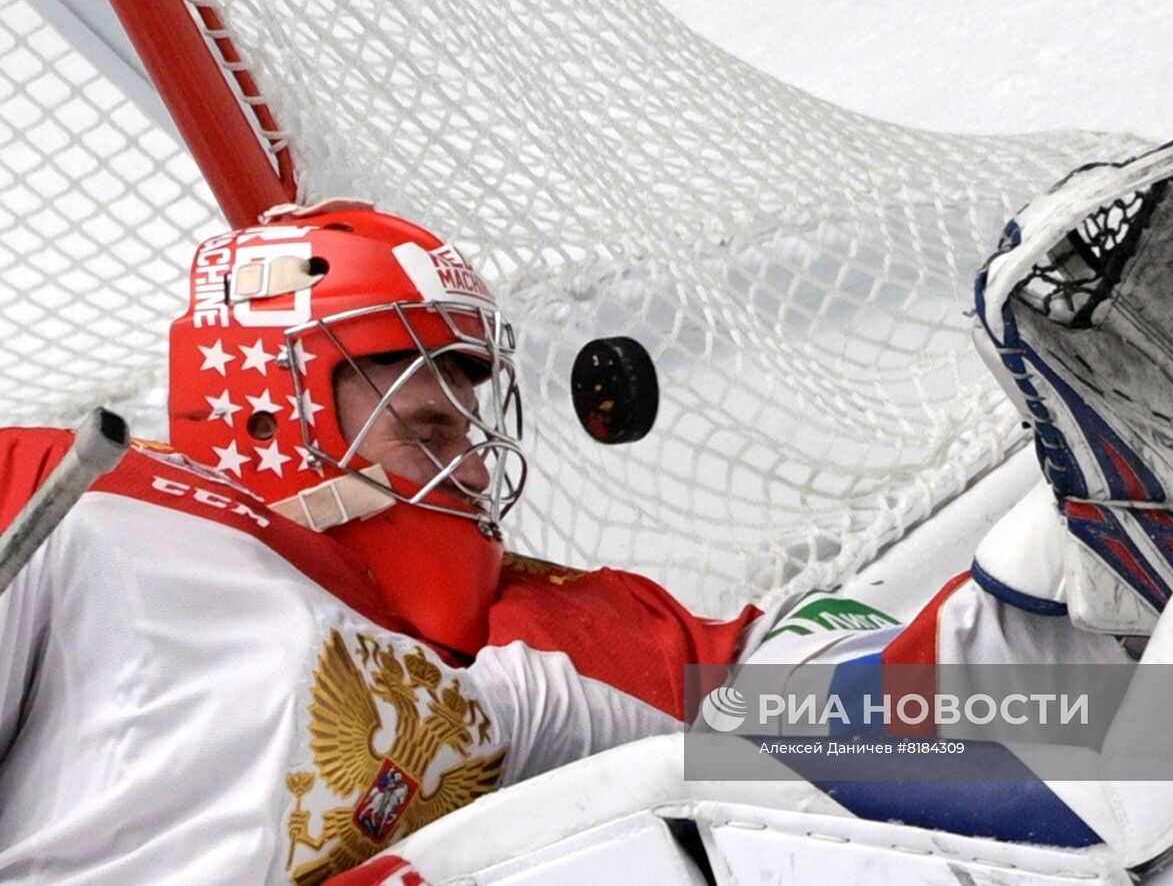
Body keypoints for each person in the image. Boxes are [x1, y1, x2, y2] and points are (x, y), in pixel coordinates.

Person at [0, 201, 759, 884]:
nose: (471, 466)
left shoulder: (540, 638)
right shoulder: (84, 499)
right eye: (426, 429)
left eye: (472, 430)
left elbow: (849, 717)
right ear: (271, 410)